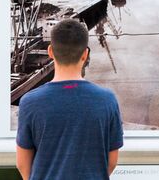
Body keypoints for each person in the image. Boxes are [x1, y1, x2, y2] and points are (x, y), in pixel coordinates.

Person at [16, 19, 123, 180]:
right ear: (85, 54)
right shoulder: (107, 100)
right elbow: (112, 161)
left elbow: (23, 164)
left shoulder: (29, 102)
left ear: (51, 51)